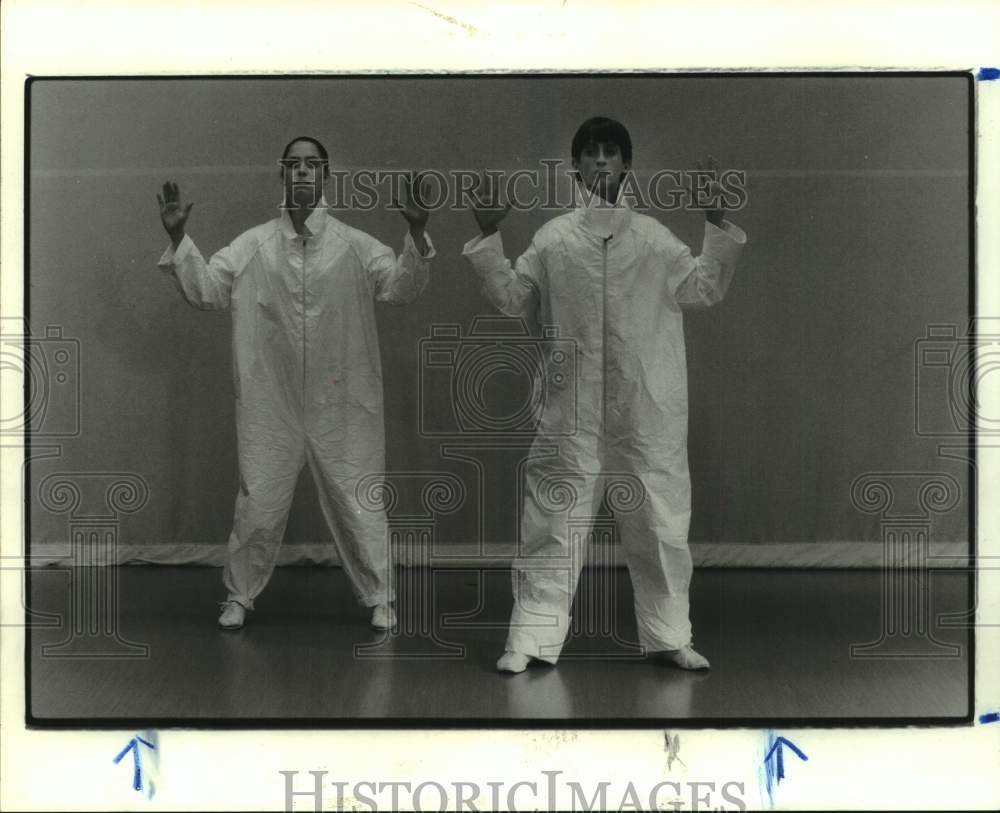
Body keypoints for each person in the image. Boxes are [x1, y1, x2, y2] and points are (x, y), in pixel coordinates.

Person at [464, 116, 746, 673]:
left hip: (647, 404)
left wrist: (715, 221)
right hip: (573, 406)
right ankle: (529, 640)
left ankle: (670, 635)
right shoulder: (554, 238)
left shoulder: (654, 238)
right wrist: (489, 238)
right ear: (575, 167)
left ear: (625, 165)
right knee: (553, 522)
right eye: (589, 153)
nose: (600, 161)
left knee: (660, 521)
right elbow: (512, 298)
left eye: (610, 152)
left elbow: (704, 287)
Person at [156, 136, 434, 630]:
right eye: (294, 164)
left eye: (313, 164)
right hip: (271, 398)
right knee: (259, 499)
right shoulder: (253, 244)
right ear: (281, 174)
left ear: (326, 175)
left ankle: (380, 598)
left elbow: (399, 287)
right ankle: (239, 595)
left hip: (344, 398)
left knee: (358, 498)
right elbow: (208, 291)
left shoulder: (353, 243)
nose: (303, 172)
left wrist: (416, 234)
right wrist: (180, 241)